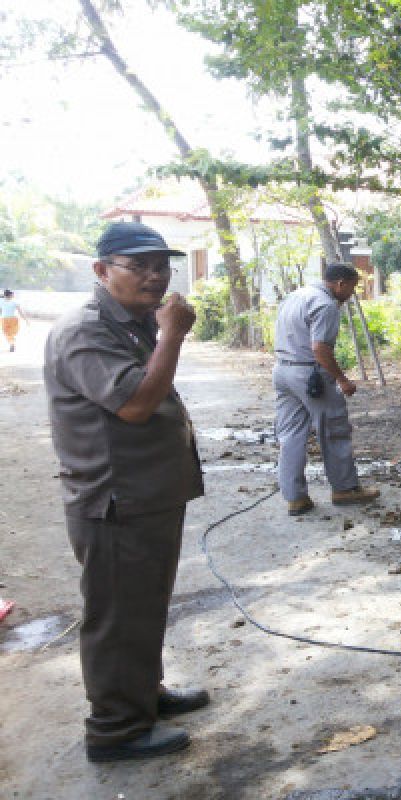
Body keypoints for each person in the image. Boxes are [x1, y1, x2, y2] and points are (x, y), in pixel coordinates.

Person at [44, 221, 208, 762]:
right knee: (118, 617)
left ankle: (144, 696)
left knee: (144, 607)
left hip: (148, 496)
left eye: (161, 266)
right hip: (116, 502)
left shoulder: (132, 321)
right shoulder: (85, 330)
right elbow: (136, 405)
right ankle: (115, 730)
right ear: (101, 270)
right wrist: (172, 337)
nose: (155, 277)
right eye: (139, 266)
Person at [273, 264, 380, 515]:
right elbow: (320, 349)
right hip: (310, 375)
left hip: (282, 370)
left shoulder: (295, 296)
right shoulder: (325, 304)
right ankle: (344, 488)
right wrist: (342, 379)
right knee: (334, 429)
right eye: (353, 287)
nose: (353, 294)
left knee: (290, 435)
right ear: (341, 283)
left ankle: (295, 498)